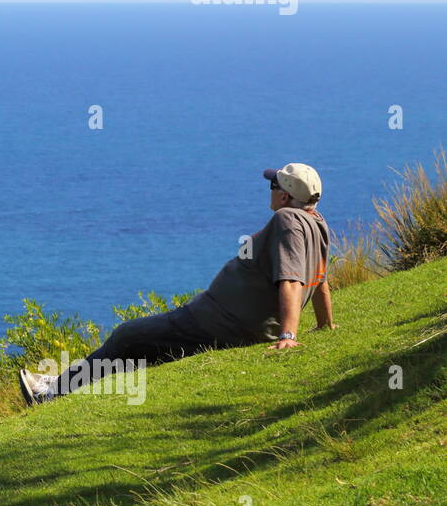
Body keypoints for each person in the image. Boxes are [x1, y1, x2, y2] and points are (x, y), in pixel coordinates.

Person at [20, 162, 333, 406]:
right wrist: (325, 324)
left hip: (218, 323)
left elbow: (291, 280)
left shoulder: (286, 221)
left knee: (128, 334)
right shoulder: (319, 226)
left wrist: (289, 335)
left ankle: (52, 392)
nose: (270, 189)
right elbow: (320, 281)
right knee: (142, 349)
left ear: (285, 195)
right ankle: (64, 388)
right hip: (225, 322)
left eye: (273, 184)